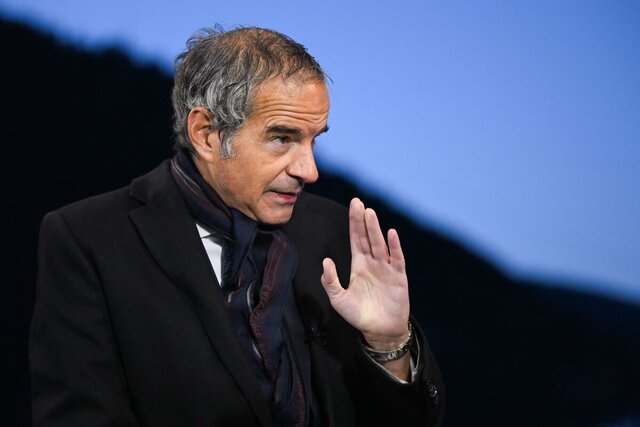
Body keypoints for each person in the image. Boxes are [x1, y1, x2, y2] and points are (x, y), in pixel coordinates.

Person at [30, 27, 444, 426]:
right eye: (282, 138)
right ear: (206, 134)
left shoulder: (334, 232)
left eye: (313, 140)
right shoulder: (89, 239)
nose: (310, 170)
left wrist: (389, 344)